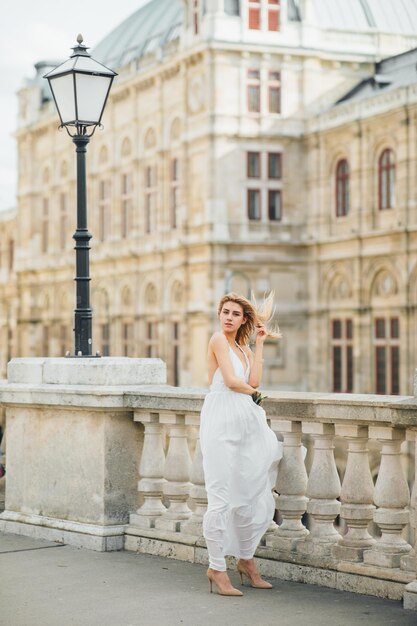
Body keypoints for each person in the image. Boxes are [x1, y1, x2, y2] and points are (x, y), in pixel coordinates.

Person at [200, 292, 283, 596]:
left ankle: (247, 562)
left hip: (244, 419)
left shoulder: (242, 346)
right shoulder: (218, 340)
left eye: (235, 313)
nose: (228, 317)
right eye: (225, 312)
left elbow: (255, 379)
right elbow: (233, 382)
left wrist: (259, 345)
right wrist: (255, 396)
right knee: (220, 496)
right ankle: (217, 568)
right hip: (222, 417)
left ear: (244, 318)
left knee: (249, 492)